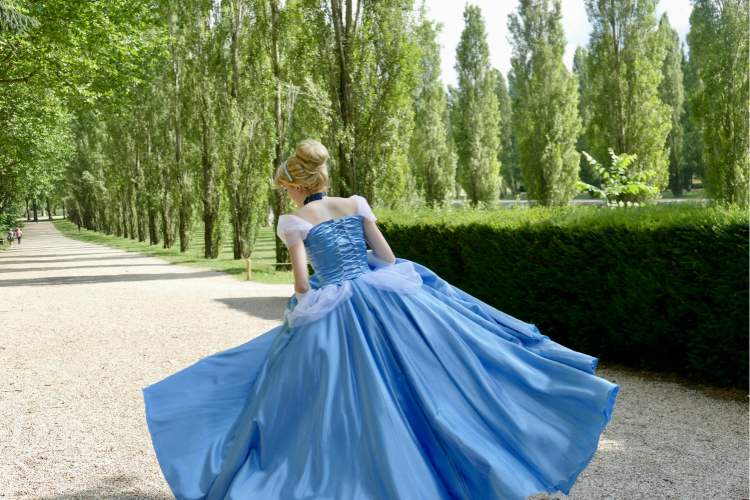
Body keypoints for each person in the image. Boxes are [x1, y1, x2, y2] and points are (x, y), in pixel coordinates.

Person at [143, 139, 619, 500]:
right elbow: (387, 258)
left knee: (322, 389)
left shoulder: (294, 222)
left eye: (285, 188)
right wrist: (364, 275)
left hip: (333, 302)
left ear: (298, 185)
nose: (286, 195)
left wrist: (315, 295)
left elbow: (303, 285)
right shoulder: (355, 204)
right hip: (381, 293)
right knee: (424, 371)